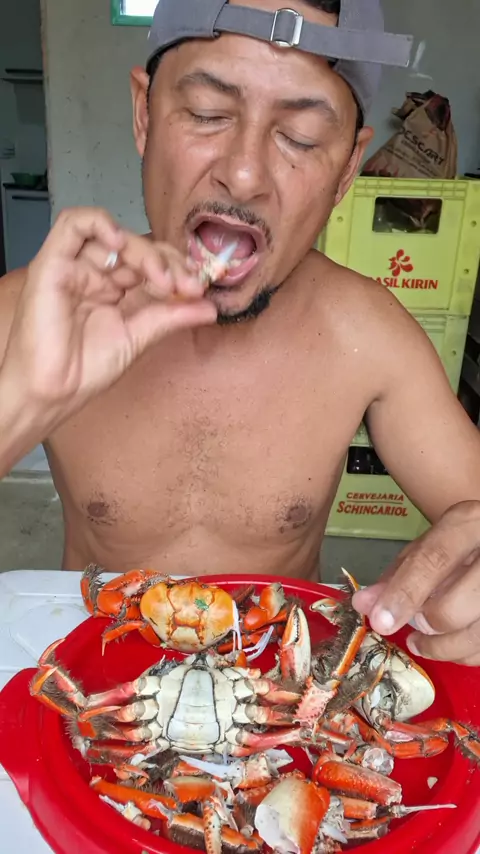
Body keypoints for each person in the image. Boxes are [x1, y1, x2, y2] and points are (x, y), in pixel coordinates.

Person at [1, 0, 480, 668]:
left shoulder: (369, 335)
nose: (245, 173)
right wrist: (21, 402)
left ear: (347, 169)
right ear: (144, 114)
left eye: (301, 138)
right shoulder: (32, 312)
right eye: (206, 113)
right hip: (95, 680)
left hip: (279, 695)